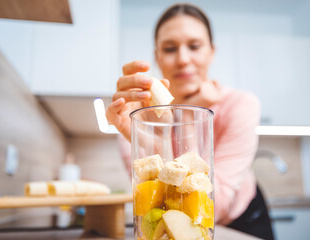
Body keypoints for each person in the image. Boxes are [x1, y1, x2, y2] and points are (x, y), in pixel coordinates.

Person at [106, 3, 274, 240]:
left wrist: (188, 116)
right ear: (157, 56)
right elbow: (157, 199)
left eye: (194, 46)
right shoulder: (137, 115)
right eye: (170, 48)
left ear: (211, 52)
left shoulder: (240, 104)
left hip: (242, 221)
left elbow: (209, 206)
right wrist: (144, 133)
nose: (183, 59)